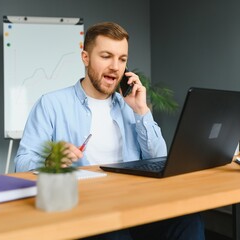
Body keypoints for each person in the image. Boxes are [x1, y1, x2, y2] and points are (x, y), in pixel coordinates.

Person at [14, 21, 204, 240]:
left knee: (189, 221)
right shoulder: (51, 104)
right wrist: (51, 161)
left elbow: (159, 158)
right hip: (84, 209)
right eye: (106, 56)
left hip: (134, 205)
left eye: (122, 59)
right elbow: (22, 163)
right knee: (113, 234)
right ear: (85, 57)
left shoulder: (130, 105)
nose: (115, 66)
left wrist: (141, 111)